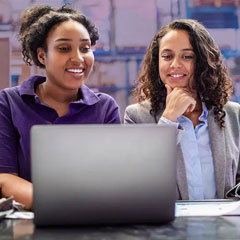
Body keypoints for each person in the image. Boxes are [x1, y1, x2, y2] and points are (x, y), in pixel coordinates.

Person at [0, 4, 121, 209]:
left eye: (85, 48)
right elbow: (4, 177)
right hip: (31, 223)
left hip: (93, 221)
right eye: (64, 48)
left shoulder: (105, 108)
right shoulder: (10, 103)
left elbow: (115, 179)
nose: (78, 58)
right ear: (42, 56)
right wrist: (60, 206)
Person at [124, 19, 240, 200]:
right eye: (167, 56)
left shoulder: (233, 114)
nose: (175, 64)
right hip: (169, 227)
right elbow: (136, 180)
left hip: (223, 226)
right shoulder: (136, 116)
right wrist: (169, 119)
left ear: (202, 61)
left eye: (187, 56)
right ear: (157, 62)